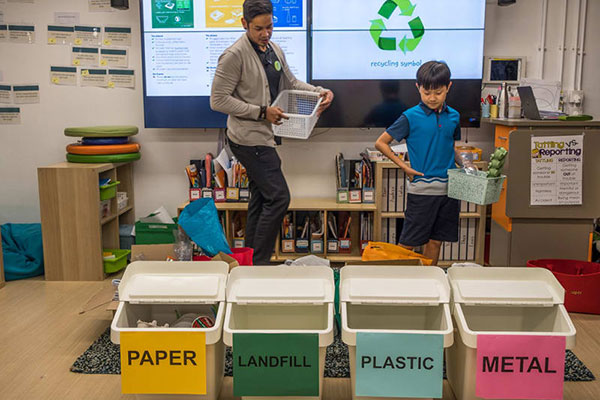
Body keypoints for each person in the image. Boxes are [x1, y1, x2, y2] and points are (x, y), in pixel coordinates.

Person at [210, 0, 334, 265]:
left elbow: (290, 82)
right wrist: (261, 111)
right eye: (259, 29)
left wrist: (318, 91)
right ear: (244, 24)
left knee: (262, 197)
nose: (266, 33)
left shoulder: (273, 49)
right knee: (279, 197)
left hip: (264, 136)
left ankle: (250, 262)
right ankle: (261, 263)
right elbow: (218, 100)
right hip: (247, 138)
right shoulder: (233, 56)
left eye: (270, 26)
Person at [374, 61, 460, 266]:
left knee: (436, 241)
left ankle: (430, 282)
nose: (432, 98)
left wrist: (466, 165)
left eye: (438, 92)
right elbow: (381, 143)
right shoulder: (410, 116)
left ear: (448, 87)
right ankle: (402, 285)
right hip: (422, 191)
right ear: (417, 88)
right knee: (408, 243)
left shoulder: (454, 116)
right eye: (426, 92)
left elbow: (450, 146)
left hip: (450, 190)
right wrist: (403, 167)